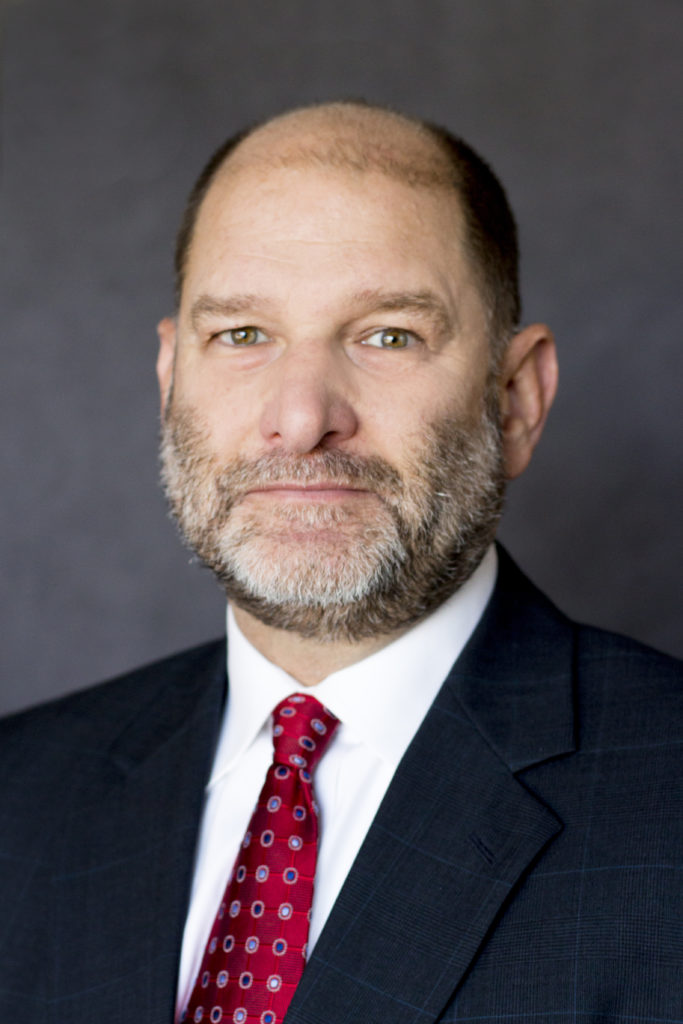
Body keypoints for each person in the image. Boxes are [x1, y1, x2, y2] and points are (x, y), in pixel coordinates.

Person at [1, 101, 680, 1024]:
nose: (302, 414)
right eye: (242, 335)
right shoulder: (20, 797)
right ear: (170, 383)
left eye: (388, 335)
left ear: (515, 399)